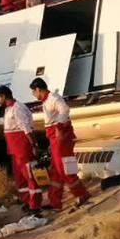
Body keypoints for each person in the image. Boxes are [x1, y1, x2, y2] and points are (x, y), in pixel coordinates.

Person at [29, 77, 91, 209]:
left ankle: (81, 194)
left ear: (38, 89)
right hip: (55, 138)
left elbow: (65, 110)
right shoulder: (47, 101)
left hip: (61, 138)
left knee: (64, 168)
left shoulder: (53, 99)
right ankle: (54, 201)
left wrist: (59, 129)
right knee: (55, 171)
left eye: (34, 92)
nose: (34, 95)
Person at [0, 84, 44, 214]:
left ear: (4, 96)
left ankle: (35, 206)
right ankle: (27, 201)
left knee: (30, 178)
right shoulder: (7, 109)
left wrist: (34, 146)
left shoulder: (18, 108)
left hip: (24, 150)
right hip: (15, 151)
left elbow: (26, 129)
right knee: (20, 179)